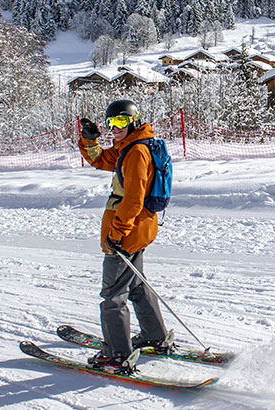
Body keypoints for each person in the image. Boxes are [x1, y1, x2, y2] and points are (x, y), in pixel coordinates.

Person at [77, 100, 168, 371]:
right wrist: (88, 139)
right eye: (110, 124)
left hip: (127, 232)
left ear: (134, 121)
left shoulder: (137, 152)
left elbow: (133, 199)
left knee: (113, 294)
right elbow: (100, 159)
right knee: (136, 286)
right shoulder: (129, 147)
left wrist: (116, 234)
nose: (114, 129)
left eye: (120, 122)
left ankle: (116, 354)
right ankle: (155, 337)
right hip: (137, 229)